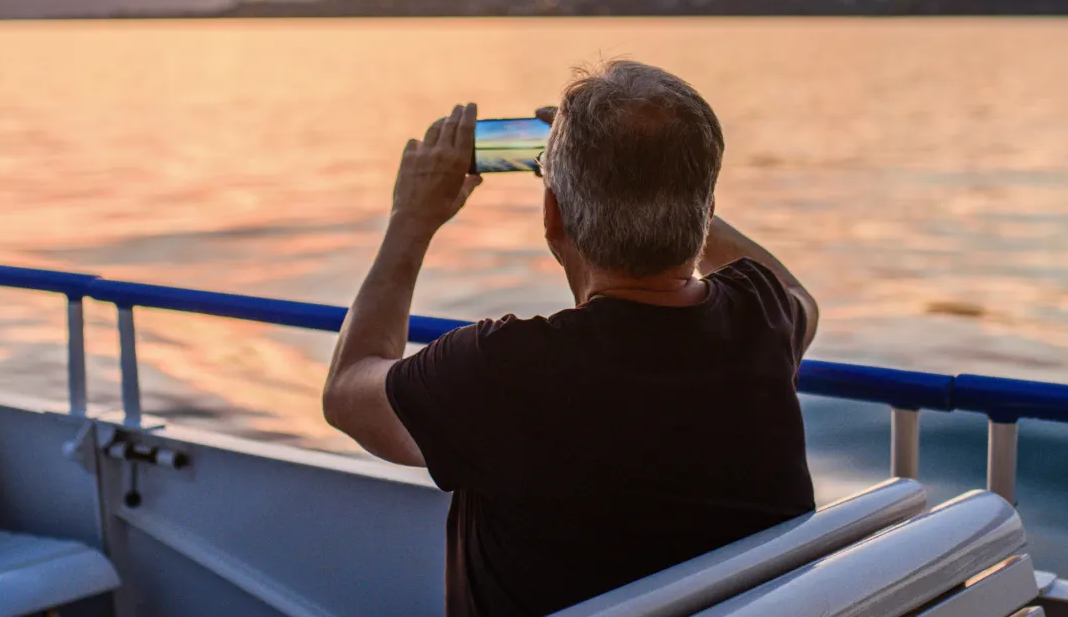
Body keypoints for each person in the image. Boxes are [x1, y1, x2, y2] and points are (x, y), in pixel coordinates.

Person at [321, 61, 820, 617]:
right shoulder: (762, 315)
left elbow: (347, 389)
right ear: (703, 211)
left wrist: (409, 220)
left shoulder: (501, 372)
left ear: (552, 215)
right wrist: (672, 195)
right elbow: (797, 293)